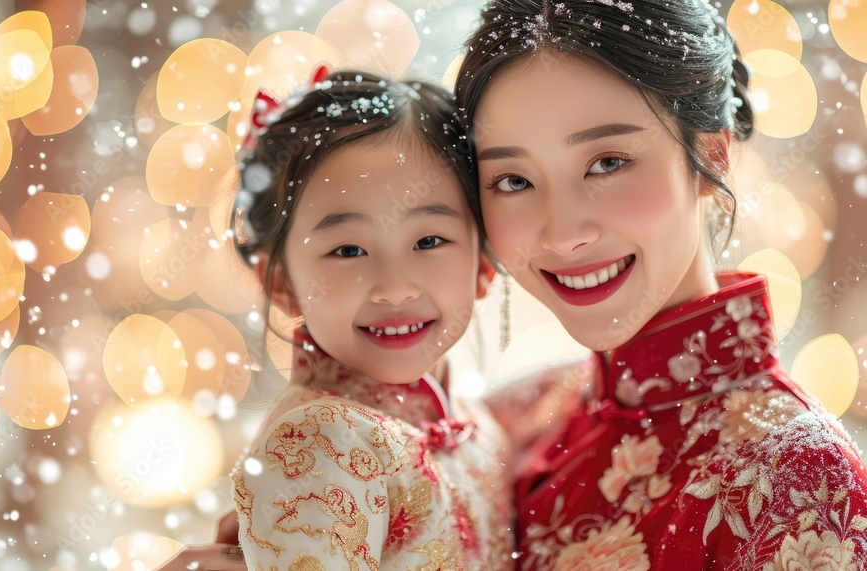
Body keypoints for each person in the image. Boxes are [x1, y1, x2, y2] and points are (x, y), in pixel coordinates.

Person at [455, 0, 867, 569]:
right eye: (514, 179)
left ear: (710, 154)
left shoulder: (797, 481)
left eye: (607, 163)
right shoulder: (512, 420)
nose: (563, 233)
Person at [161, 69, 514, 571]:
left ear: (482, 265)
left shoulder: (480, 425)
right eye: (348, 250)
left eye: (429, 241)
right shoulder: (320, 440)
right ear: (281, 282)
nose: (395, 286)